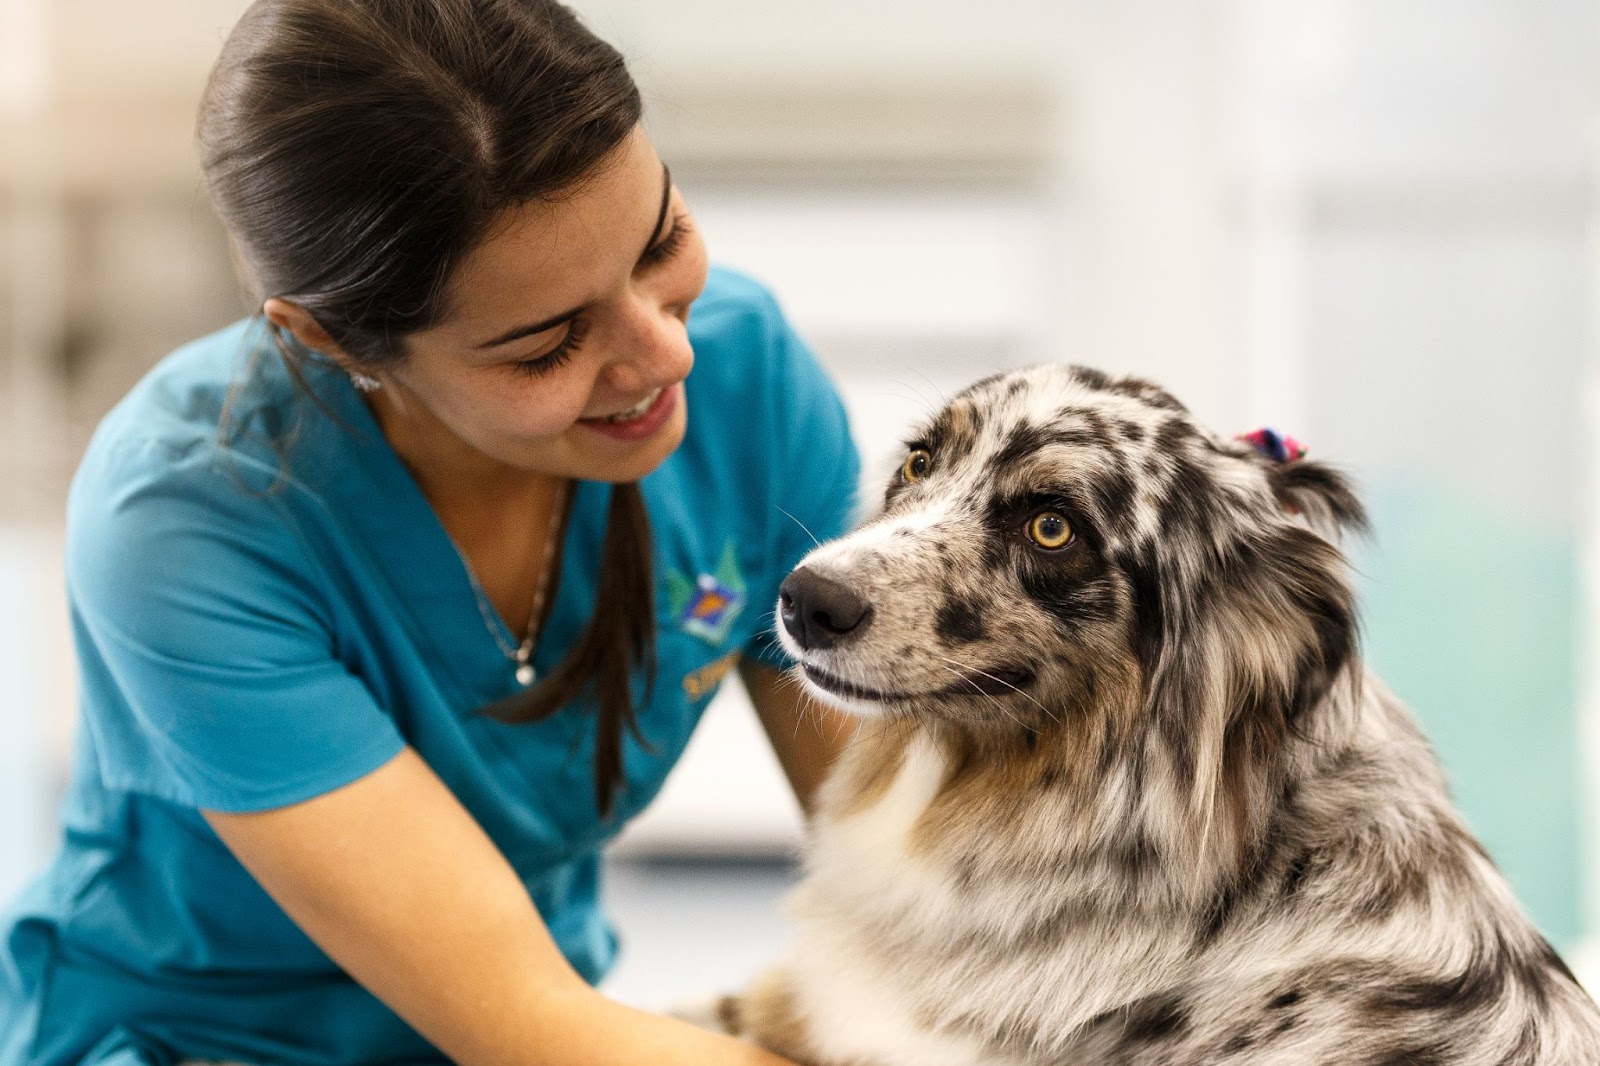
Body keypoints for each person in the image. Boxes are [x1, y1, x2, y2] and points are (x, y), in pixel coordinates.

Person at [0, 1, 860, 1063]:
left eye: (662, 239)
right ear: (329, 336)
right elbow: (529, 1026)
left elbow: (914, 862)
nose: (664, 354)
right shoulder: (186, 519)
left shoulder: (746, 376)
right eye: (547, 344)